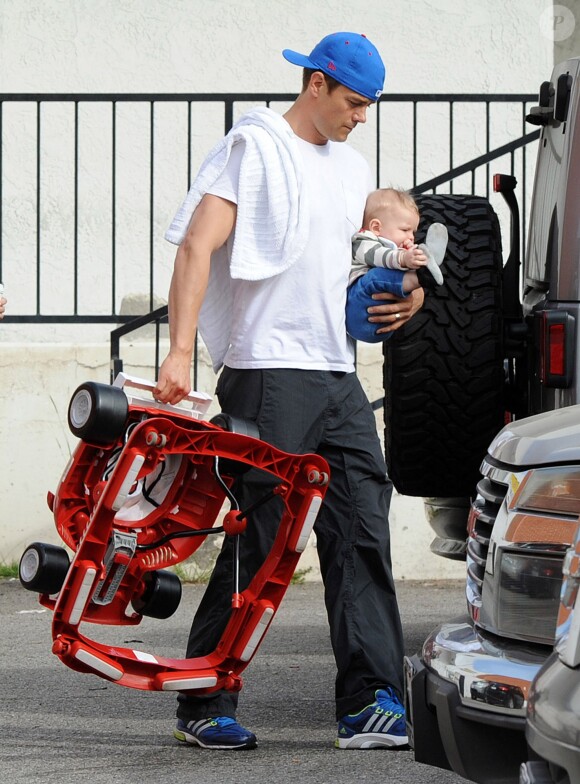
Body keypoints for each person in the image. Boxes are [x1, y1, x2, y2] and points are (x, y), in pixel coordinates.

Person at [154, 31, 424, 751]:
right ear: (315, 84)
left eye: (369, 106)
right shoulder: (256, 147)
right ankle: (205, 700)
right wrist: (179, 350)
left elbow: (368, 255)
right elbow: (198, 244)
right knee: (263, 535)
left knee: (362, 526)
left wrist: (413, 296)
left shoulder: (353, 168)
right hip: (268, 369)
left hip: (336, 372)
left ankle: (369, 701)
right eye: (354, 102)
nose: (361, 117)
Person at [346, 188, 447, 343]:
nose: (411, 237)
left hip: (384, 322)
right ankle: (421, 276)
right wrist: (404, 258)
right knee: (376, 276)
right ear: (376, 227)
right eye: (405, 230)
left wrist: (413, 258)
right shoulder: (362, 242)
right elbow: (381, 257)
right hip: (357, 309)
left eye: (413, 232)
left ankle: (425, 262)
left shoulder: (395, 250)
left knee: (394, 274)